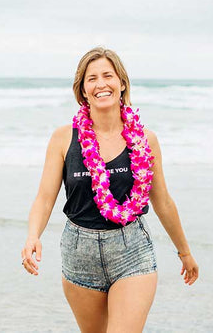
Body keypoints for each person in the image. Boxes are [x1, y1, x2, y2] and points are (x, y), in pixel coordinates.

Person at [21, 47, 199, 332]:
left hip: (132, 251)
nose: (101, 84)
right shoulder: (63, 139)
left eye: (108, 75)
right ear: (82, 90)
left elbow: (162, 201)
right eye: (91, 79)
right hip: (80, 253)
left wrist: (184, 252)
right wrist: (33, 236)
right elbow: (44, 199)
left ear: (122, 83)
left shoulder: (145, 140)